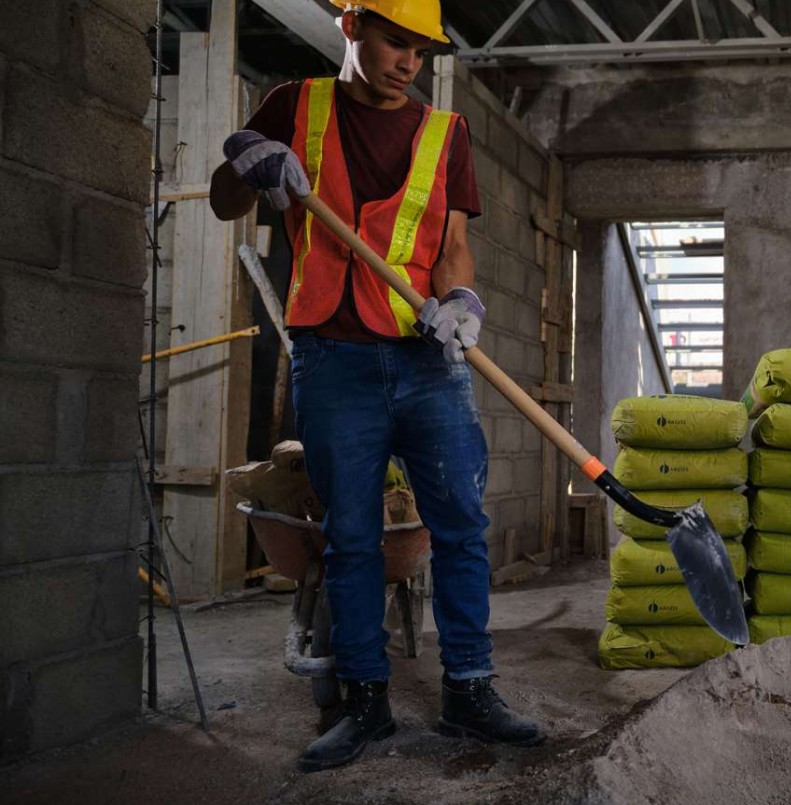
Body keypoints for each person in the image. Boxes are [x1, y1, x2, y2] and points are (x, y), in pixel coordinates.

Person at [209, 0, 546, 772]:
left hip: (431, 365)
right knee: (353, 538)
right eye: (397, 42)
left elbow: (453, 245)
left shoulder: (445, 133)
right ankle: (366, 702)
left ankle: (469, 687)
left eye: (421, 52)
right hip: (334, 360)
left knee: (461, 527)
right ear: (352, 25)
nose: (409, 63)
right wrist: (246, 165)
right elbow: (228, 198)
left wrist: (462, 300)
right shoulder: (295, 106)